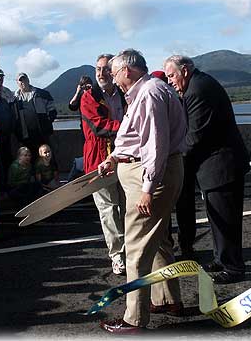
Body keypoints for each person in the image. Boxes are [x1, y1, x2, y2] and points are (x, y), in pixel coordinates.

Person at [98, 49, 186, 334]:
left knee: (135, 248)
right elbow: (137, 138)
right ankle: (167, 298)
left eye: (114, 73)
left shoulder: (148, 94)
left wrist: (148, 188)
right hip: (153, 172)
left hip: (149, 178)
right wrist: (115, 157)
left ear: (127, 71)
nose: (112, 79)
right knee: (158, 240)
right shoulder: (146, 91)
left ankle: (134, 319)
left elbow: (155, 146)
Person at [164, 55, 250, 284]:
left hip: (222, 166)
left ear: (184, 70)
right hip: (215, 167)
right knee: (217, 218)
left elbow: (194, 136)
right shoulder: (197, 84)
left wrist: (170, 156)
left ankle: (233, 267)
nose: (170, 81)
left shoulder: (197, 90)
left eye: (171, 75)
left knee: (226, 219)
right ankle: (221, 259)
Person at [79, 54, 127, 275]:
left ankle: (133, 249)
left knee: (129, 206)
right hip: (99, 159)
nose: (101, 73)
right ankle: (117, 255)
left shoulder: (125, 94)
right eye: (98, 69)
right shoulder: (89, 97)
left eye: (106, 69)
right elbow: (101, 127)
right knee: (108, 209)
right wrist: (132, 126)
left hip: (125, 155)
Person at [13, 72, 57, 160]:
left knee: (47, 155)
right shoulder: (15, 98)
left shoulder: (42, 93)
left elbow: (52, 111)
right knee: (30, 157)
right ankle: (33, 174)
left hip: (42, 132)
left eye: (24, 79)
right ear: (17, 83)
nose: (22, 82)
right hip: (26, 134)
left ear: (28, 80)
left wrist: (47, 123)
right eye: (20, 81)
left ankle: (51, 172)